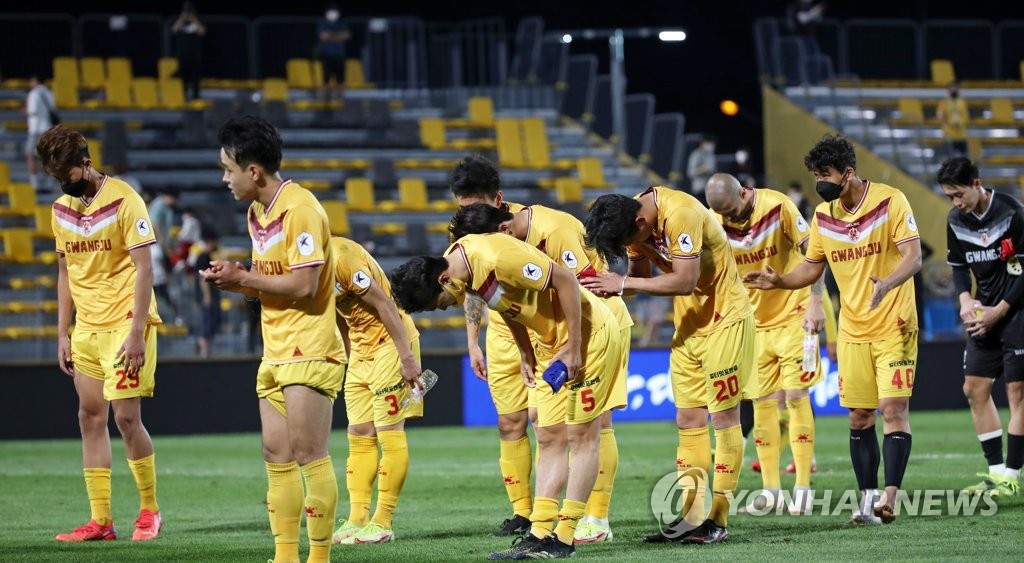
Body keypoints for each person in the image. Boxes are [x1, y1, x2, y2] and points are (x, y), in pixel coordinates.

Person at [391, 235, 623, 559]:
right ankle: (540, 532)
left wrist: (573, 347)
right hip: (548, 346)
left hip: (588, 338)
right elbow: (508, 308)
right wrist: (526, 351)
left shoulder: (498, 259)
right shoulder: (464, 266)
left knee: (582, 437)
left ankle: (566, 537)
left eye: (439, 301)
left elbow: (566, 280)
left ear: (444, 279)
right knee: (549, 436)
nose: (444, 307)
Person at [744, 134, 922, 524]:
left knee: (893, 408)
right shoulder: (824, 216)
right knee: (859, 416)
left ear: (848, 173)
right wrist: (781, 280)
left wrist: (888, 283)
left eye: (824, 173)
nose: (819, 181)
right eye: (814, 174)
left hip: (895, 322)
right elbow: (812, 268)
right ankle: (867, 503)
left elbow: (914, 256)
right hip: (853, 328)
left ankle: (889, 498)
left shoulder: (891, 201)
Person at [200, 116, 345, 563]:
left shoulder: (299, 209)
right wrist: (237, 281)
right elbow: (268, 280)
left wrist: (245, 275)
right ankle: (284, 556)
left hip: (311, 346)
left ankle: (318, 557)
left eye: (228, 168)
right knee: (276, 453)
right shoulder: (256, 212)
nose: (225, 178)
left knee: (308, 454)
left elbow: (303, 285)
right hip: (276, 347)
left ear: (254, 171)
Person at [449, 202, 632, 544]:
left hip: (596, 328)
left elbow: (588, 289)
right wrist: (525, 348)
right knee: (542, 424)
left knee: (594, 424)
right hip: (551, 337)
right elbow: (502, 299)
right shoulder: (488, 243)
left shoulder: (554, 231)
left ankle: (596, 517)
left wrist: (577, 348)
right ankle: (540, 524)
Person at [583, 185, 755, 544]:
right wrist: (601, 286)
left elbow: (684, 279)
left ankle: (717, 521)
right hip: (689, 326)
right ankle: (692, 518)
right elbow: (640, 276)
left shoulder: (681, 213)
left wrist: (624, 283)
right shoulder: (634, 224)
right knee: (688, 419)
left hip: (726, 320)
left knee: (724, 419)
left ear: (641, 221)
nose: (632, 246)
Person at [39, 125, 163, 542]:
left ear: (86, 164)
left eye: (67, 176)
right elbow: (64, 273)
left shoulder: (125, 200)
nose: (62, 185)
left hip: (125, 323)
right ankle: (101, 520)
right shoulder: (59, 210)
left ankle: (149, 511)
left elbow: (145, 269)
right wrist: (62, 333)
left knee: (126, 418)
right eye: (56, 178)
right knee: (89, 417)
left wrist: (136, 332)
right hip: (87, 328)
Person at [705, 173, 826, 513]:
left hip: (795, 314)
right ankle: (771, 491)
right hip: (753, 324)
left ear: (744, 192)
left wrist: (816, 303)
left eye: (734, 211)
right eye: (724, 214)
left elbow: (813, 254)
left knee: (797, 397)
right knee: (761, 403)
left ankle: (802, 488)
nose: (731, 220)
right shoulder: (715, 222)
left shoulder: (779, 206)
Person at [448, 154, 534, 537]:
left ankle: (574, 515)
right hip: (500, 334)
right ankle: (524, 513)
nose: (468, 218)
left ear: (497, 199)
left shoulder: (524, 224)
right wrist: (473, 341)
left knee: (547, 423)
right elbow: (472, 287)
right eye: (462, 208)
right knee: (509, 423)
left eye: (475, 207)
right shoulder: (463, 231)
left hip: (543, 334)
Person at [939, 157, 1024, 497]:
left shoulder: (1013, 212)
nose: (956, 203)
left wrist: (1000, 310)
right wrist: (964, 300)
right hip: (982, 316)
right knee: (974, 389)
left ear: (976, 184)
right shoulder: (955, 221)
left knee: (1017, 394)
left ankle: (1012, 476)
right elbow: (959, 266)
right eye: (949, 197)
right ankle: (995, 472)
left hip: (1017, 312)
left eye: (959, 194)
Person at [330, 236, 423, 545]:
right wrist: (347, 356)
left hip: (390, 344)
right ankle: (357, 518)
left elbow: (384, 302)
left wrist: (406, 357)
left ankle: (383, 521)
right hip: (360, 350)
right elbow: (337, 313)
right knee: (358, 433)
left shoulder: (342, 256)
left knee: (388, 432)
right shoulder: (304, 267)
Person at [192, 228, 221, 358]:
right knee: (206, 322)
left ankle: (205, 349)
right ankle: (203, 351)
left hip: (211, 295)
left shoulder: (207, 256)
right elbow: (202, 278)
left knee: (213, 321)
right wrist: (207, 295)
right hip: (207, 296)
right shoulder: (203, 256)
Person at [25, 75, 56, 188]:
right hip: (47, 128)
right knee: (46, 155)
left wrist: (24, 110)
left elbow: (32, 111)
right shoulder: (49, 92)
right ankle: (49, 181)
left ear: (35, 81)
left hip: (36, 128)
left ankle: (34, 182)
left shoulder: (34, 93)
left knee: (30, 154)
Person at [171, 1, 205, 102]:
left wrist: (193, 19)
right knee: (183, 79)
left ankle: (196, 98)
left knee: (195, 79)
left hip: (195, 55)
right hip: (183, 55)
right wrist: (182, 18)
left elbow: (202, 31)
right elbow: (174, 30)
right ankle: (183, 98)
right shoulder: (178, 20)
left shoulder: (197, 20)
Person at [316, 3, 350, 100]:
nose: (333, 14)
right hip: (326, 55)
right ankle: (323, 99)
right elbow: (323, 36)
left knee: (340, 79)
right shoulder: (322, 22)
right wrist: (339, 36)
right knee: (325, 79)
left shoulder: (342, 23)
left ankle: (340, 100)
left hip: (339, 55)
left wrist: (331, 36)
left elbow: (347, 35)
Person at [937, 82, 969, 158]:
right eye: (951, 88)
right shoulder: (944, 102)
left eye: (955, 88)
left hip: (961, 135)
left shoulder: (962, 102)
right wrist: (949, 124)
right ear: (948, 90)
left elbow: (966, 116)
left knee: (964, 158)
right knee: (950, 158)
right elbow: (940, 116)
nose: (953, 90)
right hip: (950, 135)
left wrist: (960, 123)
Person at [686, 135, 716, 204]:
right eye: (709, 143)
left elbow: (713, 170)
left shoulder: (711, 156)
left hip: (710, 189)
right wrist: (703, 169)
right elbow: (690, 172)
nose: (711, 146)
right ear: (702, 143)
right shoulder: (696, 154)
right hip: (698, 189)